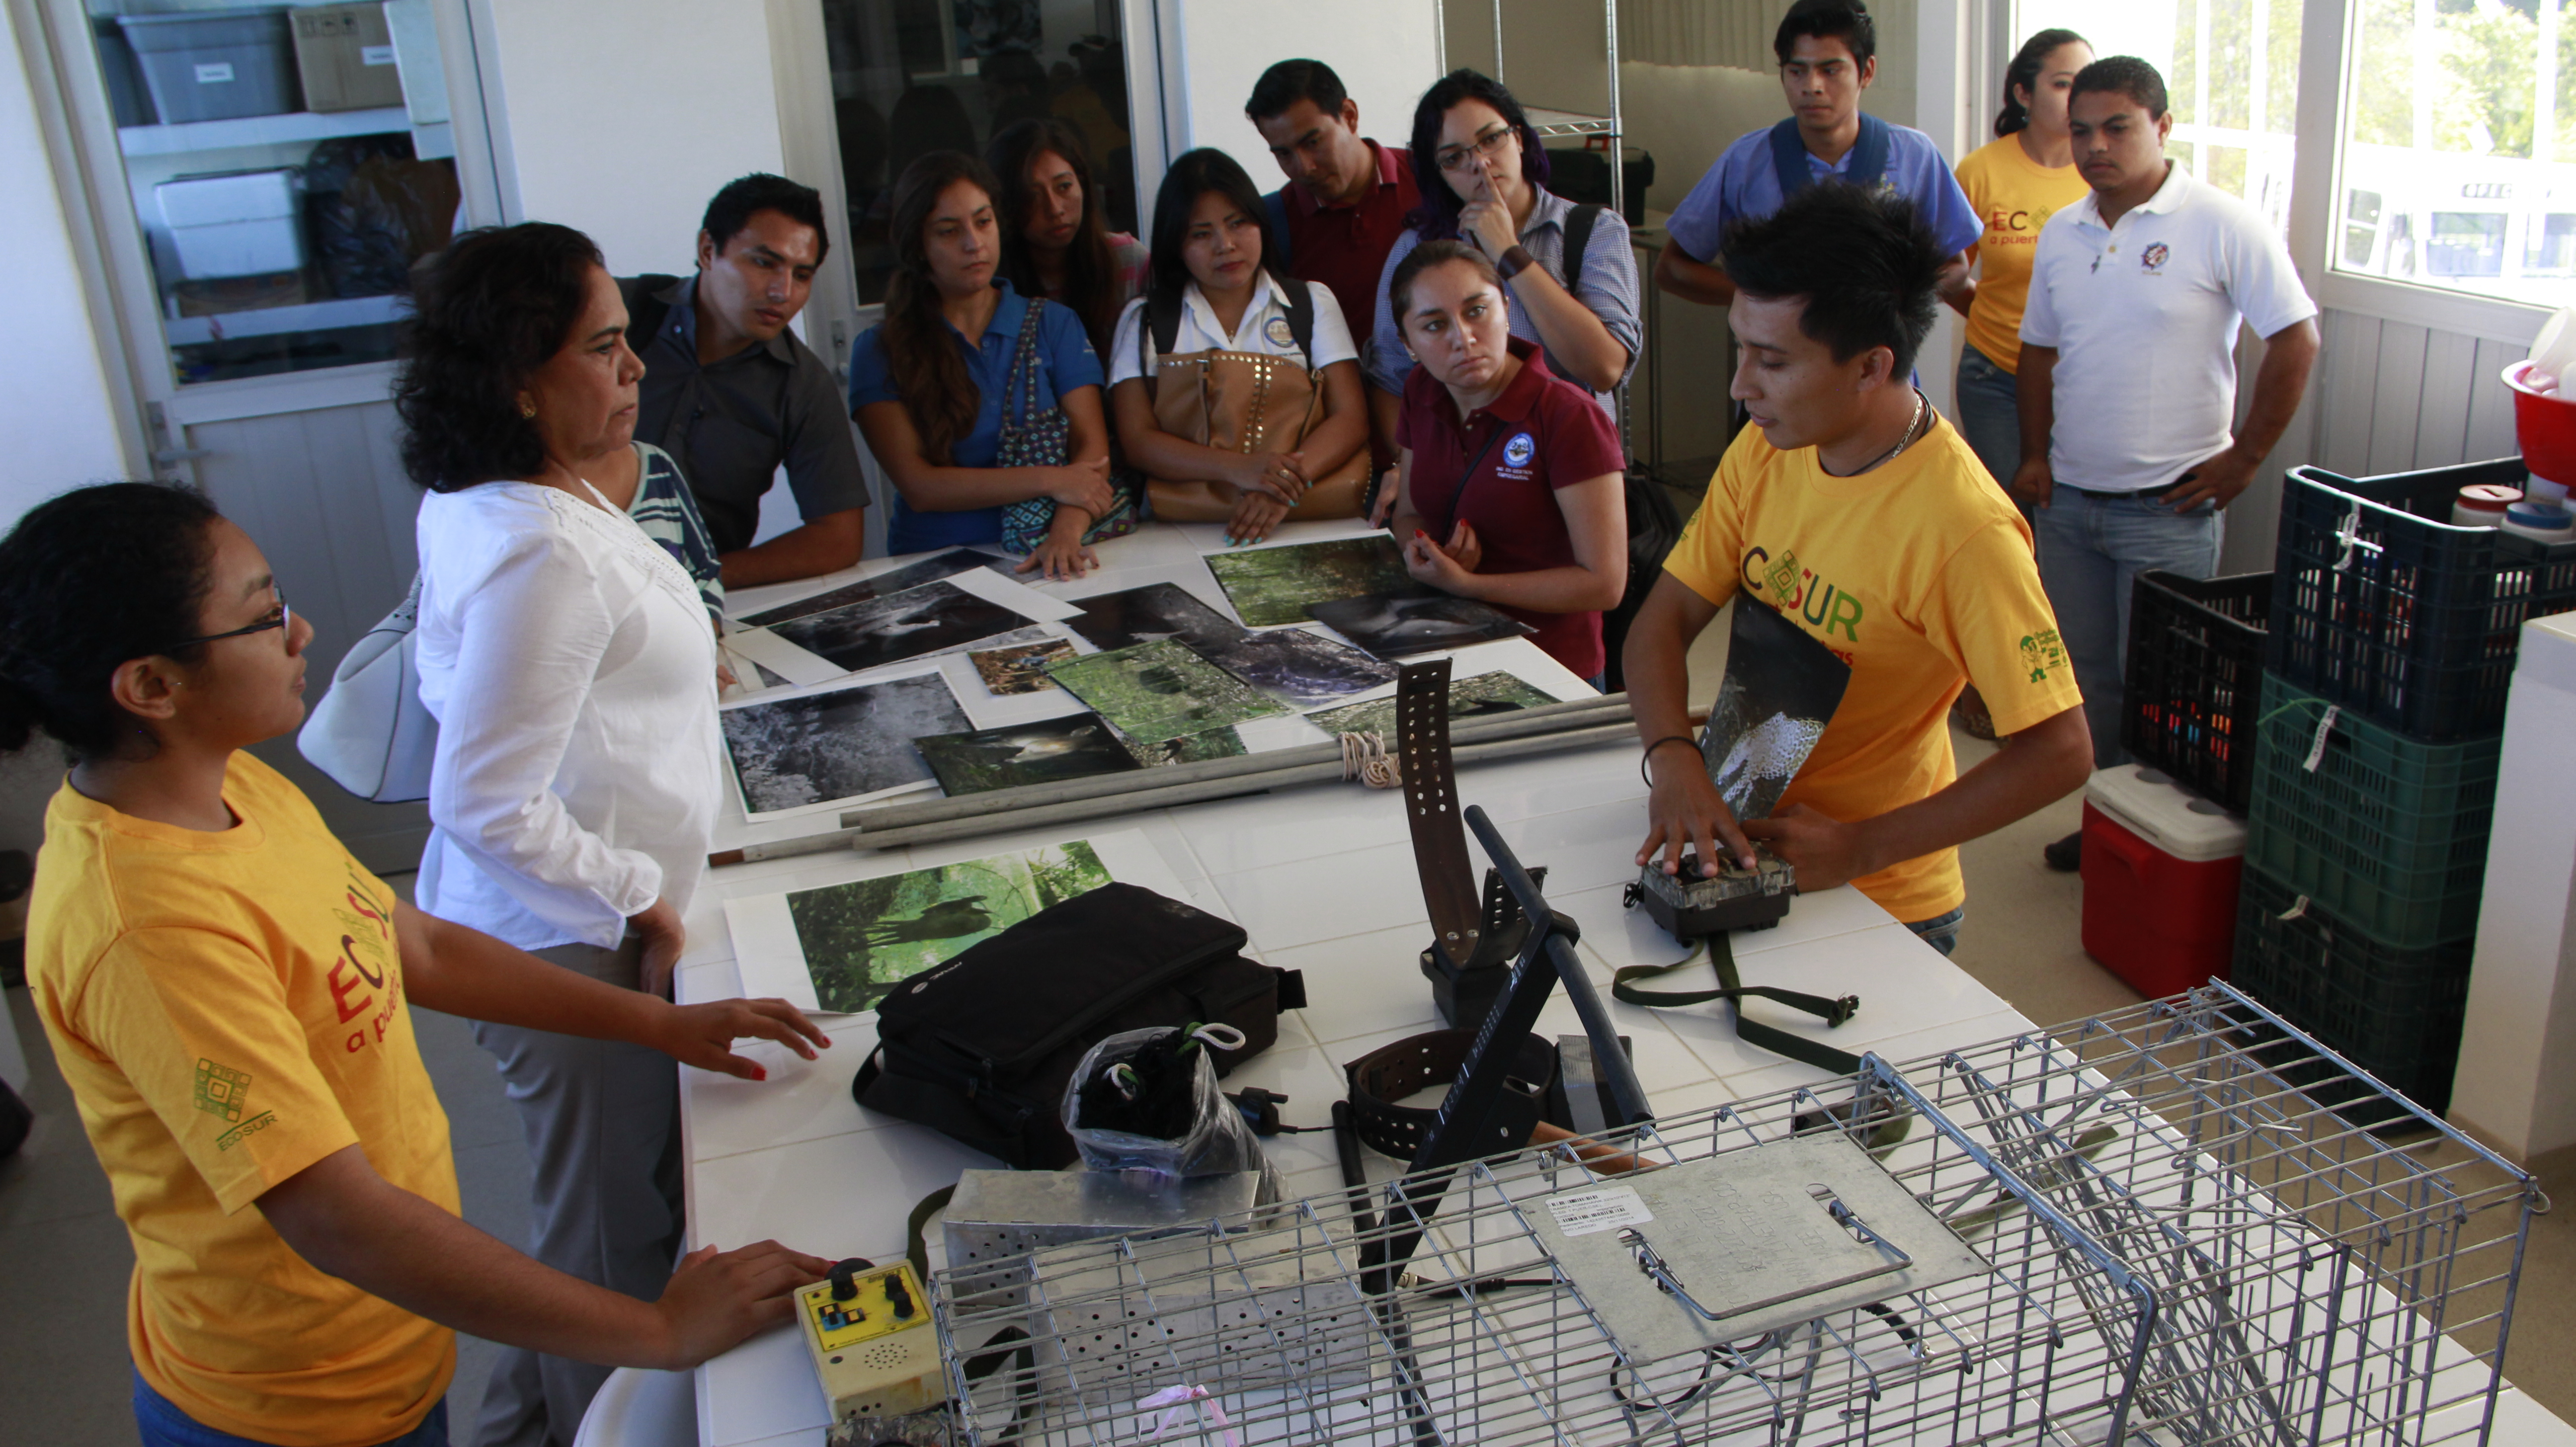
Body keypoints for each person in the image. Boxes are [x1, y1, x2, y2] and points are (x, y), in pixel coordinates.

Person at [3, 482, 833, 1447]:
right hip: (291, 1406)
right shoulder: (144, 927)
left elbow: (416, 944)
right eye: (262, 613)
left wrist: (662, 1021)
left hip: (392, 1345)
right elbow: (336, 1215)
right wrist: (657, 1328)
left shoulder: (234, 786)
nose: (301, 628)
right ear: (151, 685)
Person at [396, 221, 751, 1447]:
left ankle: (518, 1432)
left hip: (574, 920)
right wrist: (642, 900)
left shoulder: (508, 495)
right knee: (611, 1254)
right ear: (516, 379)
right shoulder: (538, 549)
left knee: (604, 1223)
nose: (636, 366)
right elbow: (483, 800)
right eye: (602, 349)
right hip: (565, 940)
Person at [1623, 185, 2093, 958]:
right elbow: (1661, 623)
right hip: (1745, 843)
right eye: (1741, 347)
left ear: (1872, 366)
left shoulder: (1964, 530)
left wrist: (1862, 848)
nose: (1742, 385)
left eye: (1772, 361)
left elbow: (2062, 751)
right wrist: (1674, 760)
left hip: (1883, 896)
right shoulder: (1770, 446)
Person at [2013, 56, 2319, 870]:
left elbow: (2294, 337)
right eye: (2080, 130)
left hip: (2170, 507)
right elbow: (2037, 351)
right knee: (2088, 684)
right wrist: (2034, 455)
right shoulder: (2061, 230)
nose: (2094, 146)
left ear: (2161, 128)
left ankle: (2166, 852)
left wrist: (2243, 459)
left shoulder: (2220, 222)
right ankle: (2111, 822)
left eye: (2116, 127)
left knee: (2168, 688)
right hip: (2071, 506)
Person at [1367, 68, 1640, 517]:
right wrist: (1406, 466)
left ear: (1520, 138)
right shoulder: (1418, 249)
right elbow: (1390, 376)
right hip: (1459, 482)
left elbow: (1605, 368)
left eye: (1491, 139)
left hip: (1568, 483)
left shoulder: (1592, 230)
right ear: (1438, 174)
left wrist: (1508, 252)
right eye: (1454, 158)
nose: (1480, 164)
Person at [849, 152, 1119, 578]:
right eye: (949, 231)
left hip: (1048, 550)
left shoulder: (1053, 323)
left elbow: (1093, 454)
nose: (973, 244)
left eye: (983, 222)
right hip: (936, 563)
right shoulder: (879, 349)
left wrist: (1067, 532)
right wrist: (1050, 478)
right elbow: (921, 487)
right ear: (919, 244)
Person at [1382, 241, 1628, 684]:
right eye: (1434, 325)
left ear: (1507, 308)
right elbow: (1409, 513)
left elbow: (1606, 584)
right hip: (1449, 649)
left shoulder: (1569, 416)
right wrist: (1423, 549)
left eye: (1477, 311)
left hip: (1551, 667)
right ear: (1408, 343)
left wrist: (1467, 585)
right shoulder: (1422, 389)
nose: (1463, 338)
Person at [1109, 148, 1370, 546]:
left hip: (1307, 521)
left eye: (1239, 223)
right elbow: (1138, 441)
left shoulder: (1311, 303)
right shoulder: (1144, 319)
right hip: (1177, 532)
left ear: (1261, 225)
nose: (1225, 245)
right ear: (1175, 242)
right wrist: (1241, 469)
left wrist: (1278, 488)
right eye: (1201, 234)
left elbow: (1350, 418)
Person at [622, 174, 872, 587]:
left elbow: (839, 539)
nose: (783, 292)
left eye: (803, 275)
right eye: (764, 263)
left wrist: (694, 579)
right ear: (708, 250)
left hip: (695, 605)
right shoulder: (622, 319)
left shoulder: (801, 383)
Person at [1652, 0, 1979, 313]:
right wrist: (1765, 298)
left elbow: (1955, 269)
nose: (1812, 86)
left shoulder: (1915, 156)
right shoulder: (1746, 161)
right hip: (1776, 364)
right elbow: (1672, 268)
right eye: (1797, 71)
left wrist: (1892, 300)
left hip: (1882, 361)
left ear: (1866, 73)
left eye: (1831, 70)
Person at [1950, 29, 2094, 494]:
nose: (2075, 98)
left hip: (2082, 377)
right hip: (1995, 376)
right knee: (2015, 512)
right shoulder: (1980, 170)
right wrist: (1997, 317)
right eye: (2062, 83)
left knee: (2067, 515)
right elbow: (1945, 274)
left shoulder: (2101, 173)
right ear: (2022, 93)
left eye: (2083, 84)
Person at [1244, 59, 1422, 370]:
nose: (1304, 167)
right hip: (1344, 408)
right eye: (1284, 154)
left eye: (1313, 142)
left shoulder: (1431, 181)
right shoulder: (1272, 225)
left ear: (1350, 116)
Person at [986, 117, 1149, 359]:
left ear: (1082, 184)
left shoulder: (1128, 260)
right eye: (1033, 196)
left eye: (1064, 187)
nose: (1055, 209)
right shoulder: (992, 283)